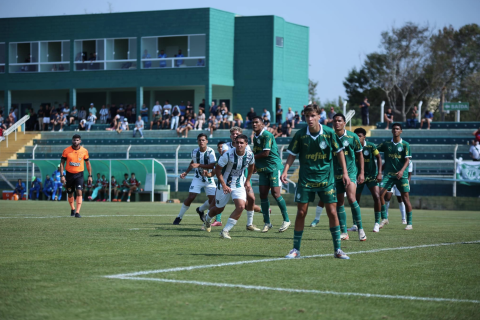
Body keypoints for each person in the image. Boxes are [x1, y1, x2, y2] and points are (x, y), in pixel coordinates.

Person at [281, 104, 350, 259]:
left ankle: (338, 249)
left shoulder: (329, 133)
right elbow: (292, 154)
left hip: (326, 179)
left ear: (319, 116)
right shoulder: (300, 135)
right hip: (305, 179)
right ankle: (295, 249)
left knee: (332, 212)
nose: (310, 119)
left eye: (313, 116)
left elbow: (339, 152)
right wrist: (285, 170)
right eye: (307, 116)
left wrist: (345, 173)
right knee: (301, 212)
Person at [313, 113, 366, 241]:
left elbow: (360, 155)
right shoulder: (329, 137)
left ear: (344, 123)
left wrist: (362, 173)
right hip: (334, 174)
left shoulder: (353, 137)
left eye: (339, 121)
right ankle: (344, 232)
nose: (337, 123)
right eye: (335, 121)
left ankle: (360, 229)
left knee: (352, 199)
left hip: (350, 172)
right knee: (339, 202)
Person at [203, 134, 255, 239]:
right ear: (234, 143)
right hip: (224, 184)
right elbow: (217, 169)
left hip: (239, 184)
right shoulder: (227, 155)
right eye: (237, 143)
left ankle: (225, 231)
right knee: (218, 210)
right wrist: (223, 184)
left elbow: (252, 166)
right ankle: (207, 219)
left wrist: (248, 181)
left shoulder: (250, 155)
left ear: (246, 144)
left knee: (241, 206)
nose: (239, 145)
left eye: (241, 143)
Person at [251, 116, 291, 232]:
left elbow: (266, 153)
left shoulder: (267, 135)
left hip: (273, 167)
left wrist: (250, 157)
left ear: (262, 125)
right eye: (253, 122)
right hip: (263, 169)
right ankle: (267, 223)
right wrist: (254, 166)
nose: (254, 124)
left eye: (256, 122)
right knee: (263, 194)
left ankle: (286, 219)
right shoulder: (255, 137)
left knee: (275, 193)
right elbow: (256, 153)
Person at [173, 134, 217, 225]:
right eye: (200, 140)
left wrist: (199, 165)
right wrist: (186, 172)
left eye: (203, 140)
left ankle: (201, 211)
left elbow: (213, 165)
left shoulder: (211, 151)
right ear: (197, 141)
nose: (201, 142)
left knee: (213, 200)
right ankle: (179, 217)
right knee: (191, 197)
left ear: (207, 141)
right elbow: (193, 162)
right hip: (198, 178)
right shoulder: (194, 151)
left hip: (209, 178)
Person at [377, 123, 414, 230]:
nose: (395, 130)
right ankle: (384, 218)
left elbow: (407, 160)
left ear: (401, 131)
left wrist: (402, 171)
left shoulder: (405, 145)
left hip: (401, 176)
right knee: (380, 195)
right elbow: (375, 149)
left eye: (397, 129)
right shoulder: (386, 144)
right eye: (393, 129)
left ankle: (409, 223)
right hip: (388, 175)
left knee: (405, 198)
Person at [351, 128, 384, 232]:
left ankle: (377, 223)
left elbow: (378, 157)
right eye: (356, 136)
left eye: (359, 136)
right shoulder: (352, 146)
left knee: (377, 196)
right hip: (358, 176)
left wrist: (379, 173)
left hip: (371, 176)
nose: (357, 138)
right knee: (355, 200)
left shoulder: (370, 146)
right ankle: (355, 224)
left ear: (364, 137)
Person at [60, 134, 92, 218]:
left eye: (77, 140)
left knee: (79, 191)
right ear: (72, 140)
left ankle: (77, 212)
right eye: (74, 140)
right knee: (70, 193)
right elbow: (62, 163)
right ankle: (72, 209)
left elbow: (88, 163)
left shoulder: (84, 151)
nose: (76, 141)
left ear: (80, 141)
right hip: (69, 174)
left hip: (79, 175)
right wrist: (62, 175)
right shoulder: (66, 150)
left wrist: (90, 175)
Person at [384, 160, 413, 225]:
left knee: (401, 200)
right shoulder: (393, 159)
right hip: (391, 180)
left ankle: (404, 219)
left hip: (401, 181)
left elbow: (409, 174)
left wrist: (407, 182)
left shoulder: (409, 162)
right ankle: (385, 217)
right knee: (387, 198)